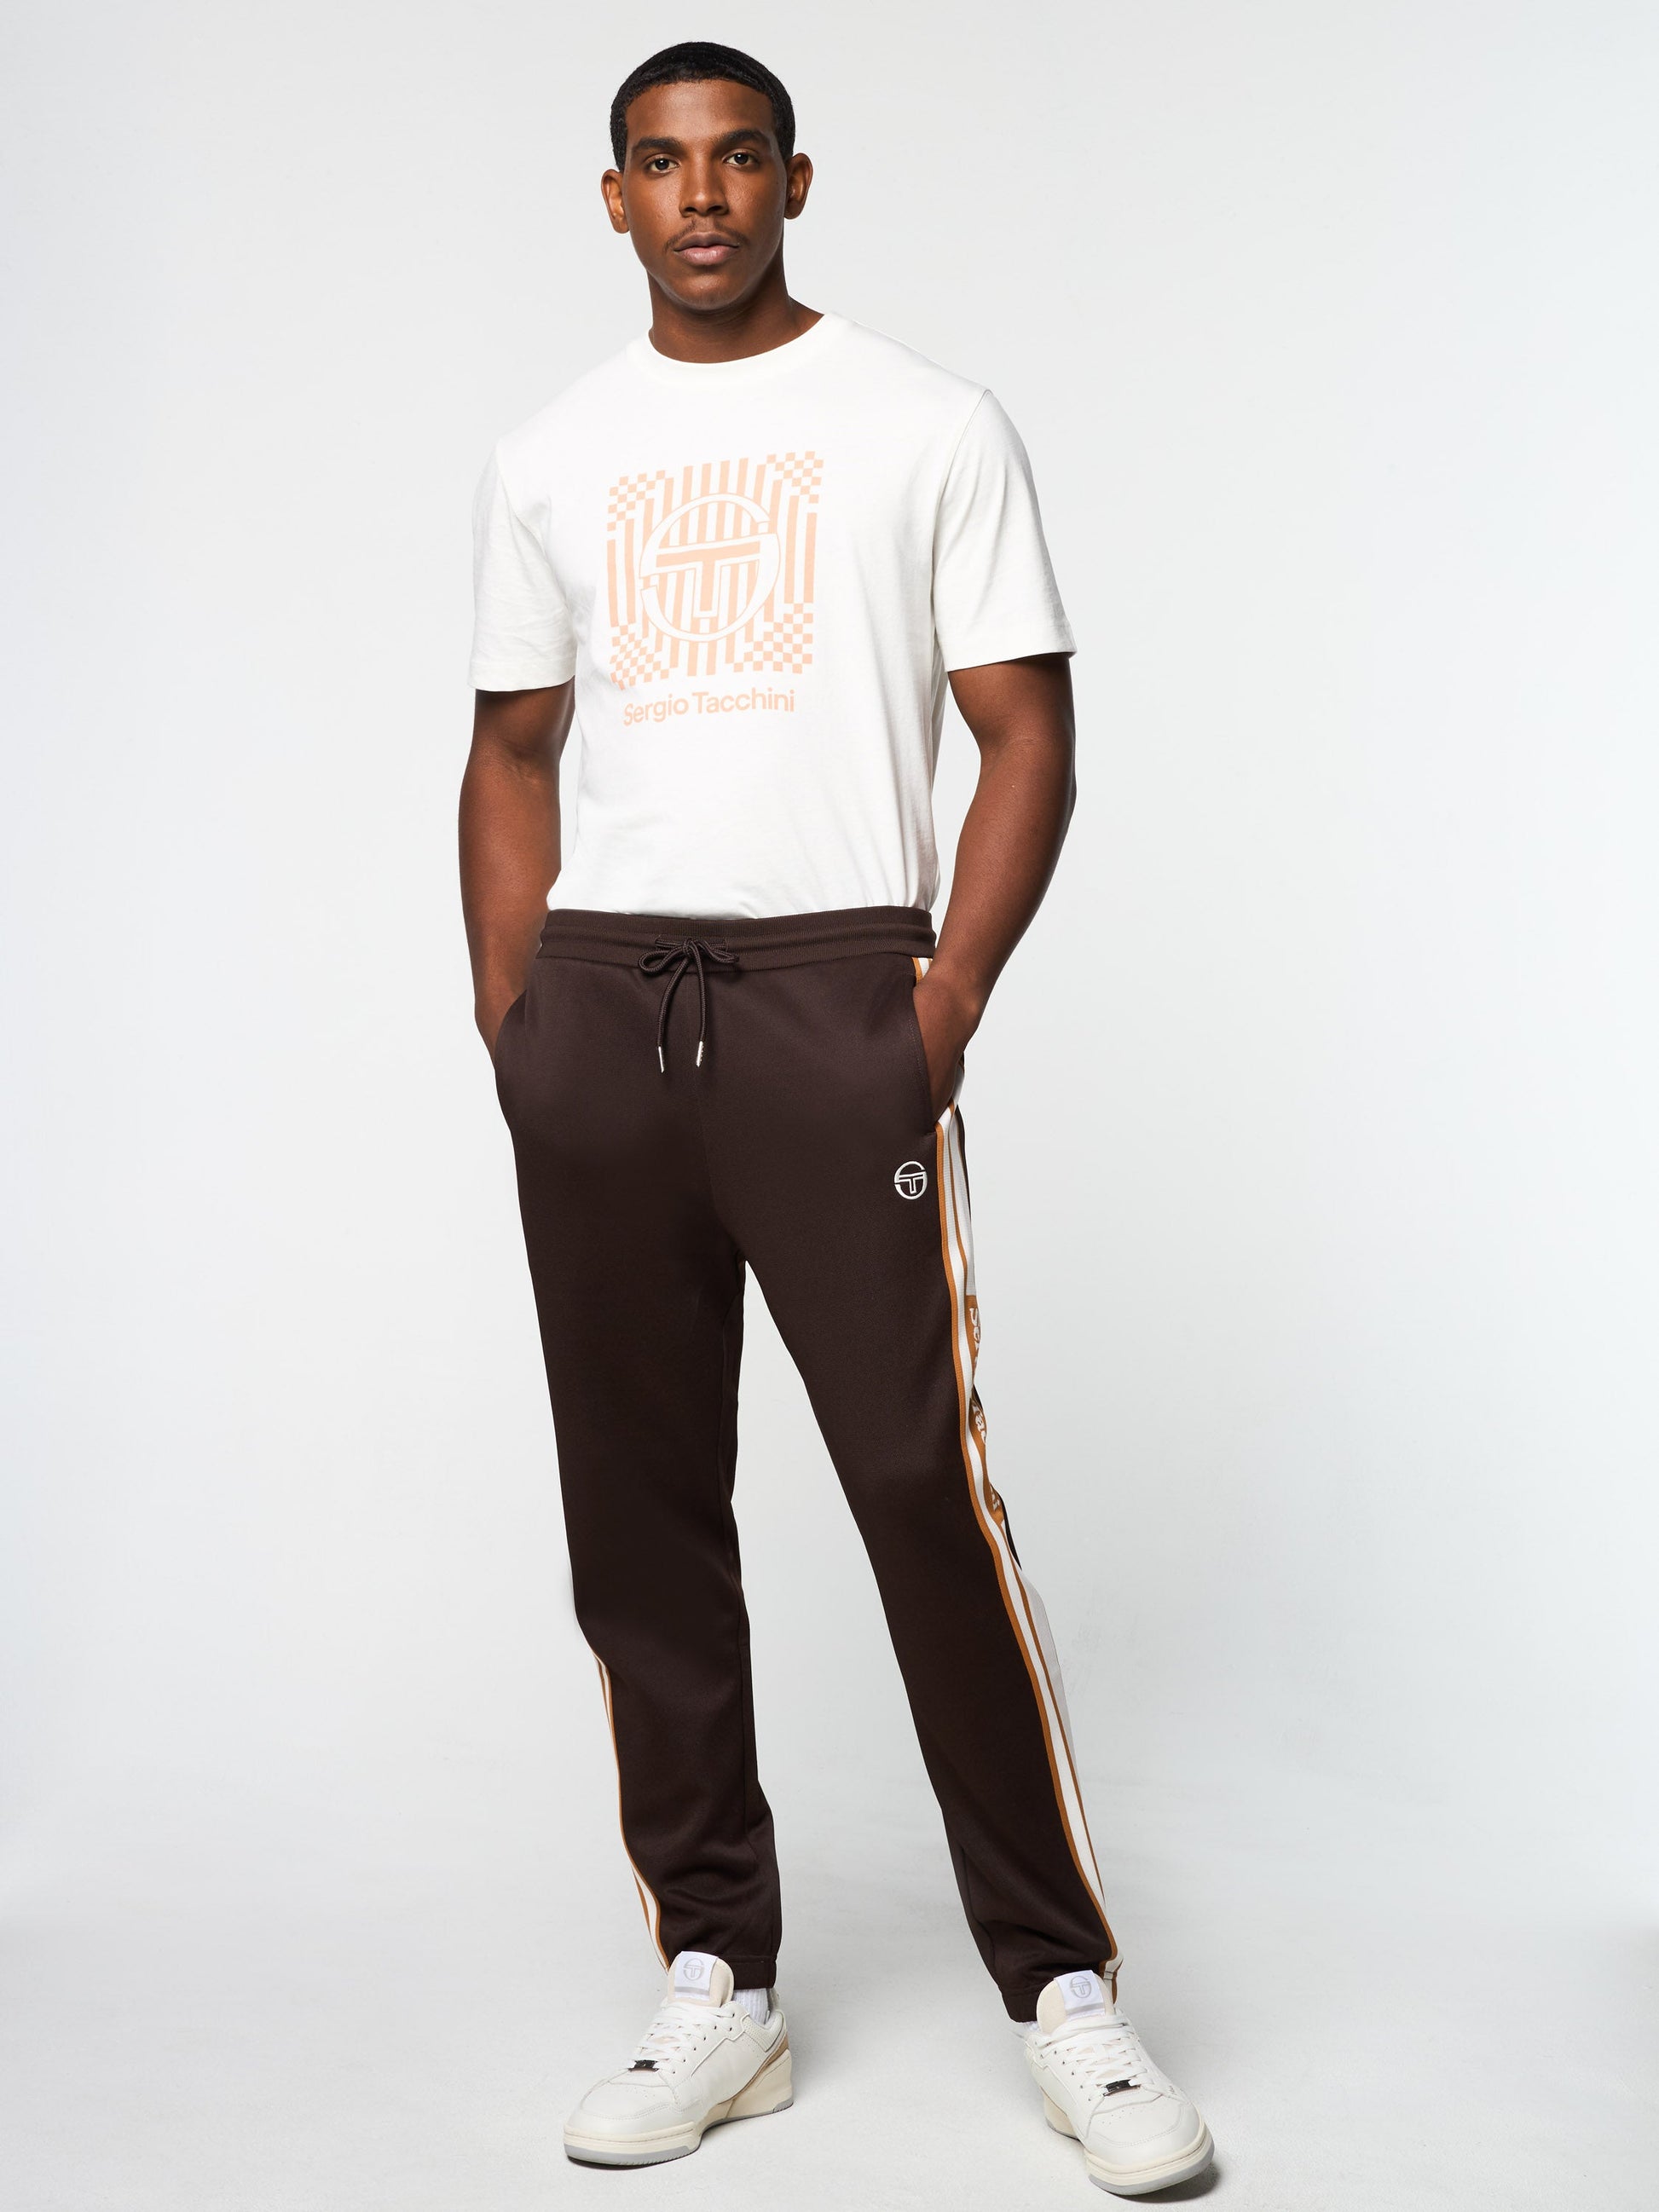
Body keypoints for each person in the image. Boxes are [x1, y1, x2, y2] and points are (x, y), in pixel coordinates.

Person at [460, 40, 1214, 2196]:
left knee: (913, 1483)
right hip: (606, 1004)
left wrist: (940, 999)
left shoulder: (924, 423)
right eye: (659, 164)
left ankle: (1060, 1989)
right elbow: (510, 748)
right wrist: (516, 1021)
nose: (699, 196)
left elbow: (1024, 730)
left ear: (795, 181)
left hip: (829, 994)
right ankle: (720, 1974)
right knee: (639, 1513)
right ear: (613, 196)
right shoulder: (550, 453)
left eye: (736, 160)